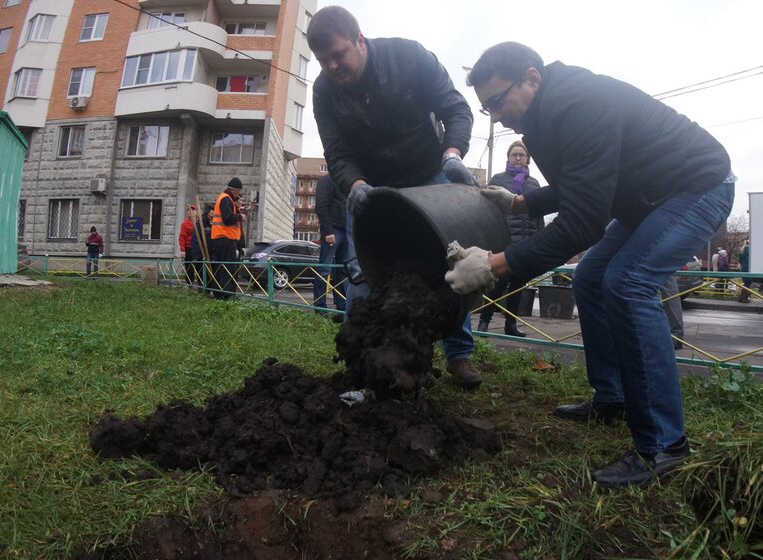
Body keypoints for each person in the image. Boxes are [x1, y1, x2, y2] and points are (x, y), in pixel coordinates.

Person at [448, 42, 734, 487]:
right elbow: (579, 183)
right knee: (592, 278)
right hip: (646, 200)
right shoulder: (542, 116)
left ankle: (664, 443)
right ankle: (614, 397)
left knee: (628, 283)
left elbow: (582, 222)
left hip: (698, 185)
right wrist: (523, 202)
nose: (494, 116)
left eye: (497, 101)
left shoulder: (578, 103)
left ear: (532, 78)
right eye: (486, 107)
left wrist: (495, 264)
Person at [308, 6, 482, 389]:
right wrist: (354, 186)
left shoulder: (408, 57)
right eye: (324, 60)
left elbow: (455, 108)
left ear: (360, 40)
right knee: (363, 272)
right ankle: (363, 362)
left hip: (429, 173)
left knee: (451, 263)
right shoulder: (324, 91)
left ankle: (459, 355)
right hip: (372, 188)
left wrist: (452, 153)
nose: (333, 66)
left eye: (339, 54)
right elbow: (336, 152)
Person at [476, 141, 543, 337]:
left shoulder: (534, 184)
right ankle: (484, 321)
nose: (518, 158)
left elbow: (539, 213)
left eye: (522, 155)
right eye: (514, 154)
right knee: (498, 284)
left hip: (526, 241)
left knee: (518, 287)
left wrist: (539, 237)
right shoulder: (499, 179)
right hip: (503, 240)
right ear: (508, 157)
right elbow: (487, 209)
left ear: (527, 158)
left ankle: (510, 325)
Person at [313, 174, 349, 317]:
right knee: (324, 269)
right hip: (332, 230)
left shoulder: (345, 182)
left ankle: (342, 307)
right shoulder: (326, 181)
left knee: (343, 271)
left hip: (346, 230)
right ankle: (320, 309)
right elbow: (321, 206)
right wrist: (328, 231)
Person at [210, 177, 245, 300]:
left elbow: (227, 215)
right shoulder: (226, 199)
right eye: (238, 192)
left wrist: (237, 210)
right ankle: (225, 294)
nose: (239, 195)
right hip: (226, 238)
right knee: (227, 266)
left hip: (220, 237)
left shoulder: (224, 198)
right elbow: (228, 219)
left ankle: (218, 293)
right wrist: (240, 216)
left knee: (220, 266)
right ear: (234, 190)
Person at [178, 204, 197, 285]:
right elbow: (182, 237)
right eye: (189, 210)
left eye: (193, 210)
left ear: (196, 212)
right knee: (189, 267)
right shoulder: (185, 224)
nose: (191, 212)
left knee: (201, 266)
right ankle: (189, 284)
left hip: (199, 248)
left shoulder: (199, 222)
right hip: (189, 248)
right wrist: (183, 250)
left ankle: (202, 284)